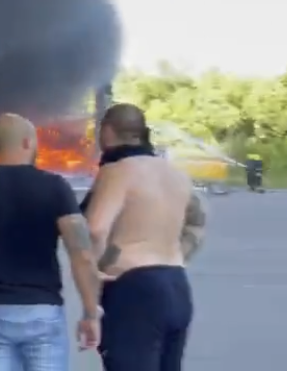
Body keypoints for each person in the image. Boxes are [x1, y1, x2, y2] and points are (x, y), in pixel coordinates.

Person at [0, 113, 102, 368]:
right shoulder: (56, 187)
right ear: (27, 143)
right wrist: (91, 312)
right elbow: (82, 254)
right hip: (43, 311)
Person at [85, 103, 202, 371]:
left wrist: (99, 269)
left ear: (108, 131)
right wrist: (175, 254)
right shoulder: (177, 175)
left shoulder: (117, 171)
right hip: (176, 282)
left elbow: (95, 229)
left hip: (134, 289)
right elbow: (197, 223)